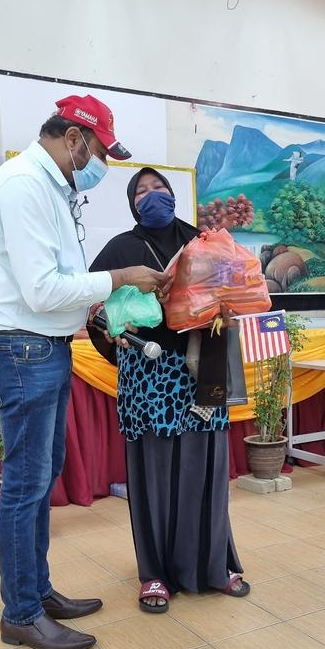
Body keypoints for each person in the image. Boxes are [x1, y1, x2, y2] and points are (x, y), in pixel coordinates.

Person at [0, 96, 170, 649]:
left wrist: (95, 302)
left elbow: (54, 281)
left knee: (40, 477)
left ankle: (37, 590)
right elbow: (41, 290)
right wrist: (117, 278)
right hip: (20, 348)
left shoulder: (52, 189)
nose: (99, 163)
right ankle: (21, 613)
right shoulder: (23, 186)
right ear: (74, 137)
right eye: (98, 149)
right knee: (25, 485)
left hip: (43, 346)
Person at [89, 167, 248, 613]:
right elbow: (93, 310)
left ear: (174, 194)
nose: (151, 195)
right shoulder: (120, 250)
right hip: (148, 370)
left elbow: (234, 290)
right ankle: (154, 573)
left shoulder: (203, 240)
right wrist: (112, 327)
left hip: (203, 369)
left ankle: (216, 564)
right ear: (131, 202)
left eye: (159, 187)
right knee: (154, 474)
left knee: (207, 469)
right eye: (141, 191)